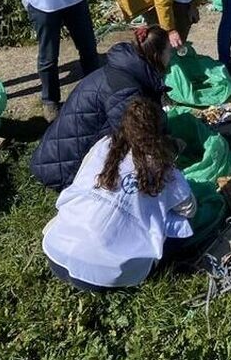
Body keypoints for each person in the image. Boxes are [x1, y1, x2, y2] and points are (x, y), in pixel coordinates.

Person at [42, 97, 196, 291]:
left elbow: (81, 180)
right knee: (181, 225)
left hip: (57, 252)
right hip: (108, 275)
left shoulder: (103, 145)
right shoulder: (165, 169)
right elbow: (189, 210)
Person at [30, 25, 172, 192]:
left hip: (54, 156)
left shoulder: (122, 71)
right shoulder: (125, 91)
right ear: (157, 55)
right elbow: (141, 139)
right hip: (62, 172)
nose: (171, 56)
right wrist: (169, 148)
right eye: (169, 51)